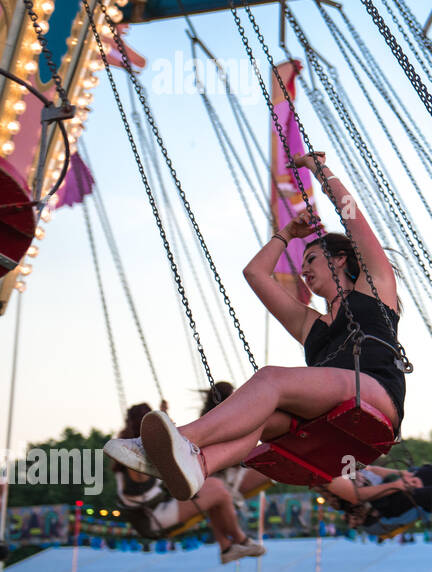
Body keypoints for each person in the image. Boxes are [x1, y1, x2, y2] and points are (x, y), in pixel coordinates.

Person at [106, 152, 405, 500]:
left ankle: (182, 439)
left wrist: (319, 171)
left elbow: (354, 219)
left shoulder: (375, 288)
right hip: (332, 416)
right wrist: (287, 234)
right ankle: (200, 464)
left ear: (339, 258)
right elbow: (255, 274)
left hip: (376, 395)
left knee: (271, 378)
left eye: (311, 259)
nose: (303, 271)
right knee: (260, 416)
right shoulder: (312, 325)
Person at [109, 402, 266, 564]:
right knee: (217, 489)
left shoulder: (130, 451)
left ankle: (226, 547)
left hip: (155, 512)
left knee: (210, 490)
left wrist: (163, 415)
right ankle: (241, 541)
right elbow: (142, 475)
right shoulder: (132, 458)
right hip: (153, 517)